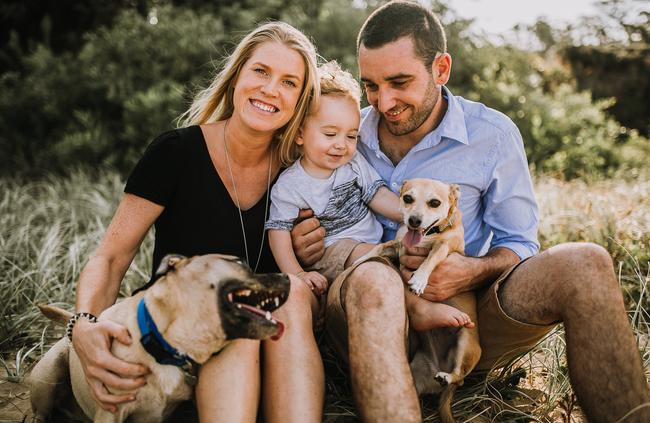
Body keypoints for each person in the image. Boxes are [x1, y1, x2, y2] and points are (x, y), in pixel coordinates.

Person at [290, 2, 650, 422]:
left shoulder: (491, 136)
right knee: (375, 282)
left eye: (399, 82)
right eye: (370, 85)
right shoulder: (339, 132)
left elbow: (518, 242)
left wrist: (471, 270)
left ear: (441, 69)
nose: (383, 102)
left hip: (465, 316)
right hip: (360, 309)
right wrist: (305, 240)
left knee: (586, 262)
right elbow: (295, 205)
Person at [70, 21, 325, 423]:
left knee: (255, 311)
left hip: (270, 352)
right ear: (237, 74)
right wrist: (84, 327)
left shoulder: (302, 176)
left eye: (289, 82)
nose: (271, 89)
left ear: (300, 99)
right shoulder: (176, 153)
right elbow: (111, 257)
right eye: (260, 71)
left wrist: (307, 250)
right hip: (172, 343)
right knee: (232, 321)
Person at [266, 61, 474, 330]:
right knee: (389, 259)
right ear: (299, 134)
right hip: (333, 252)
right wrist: (296, 273)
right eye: (330, 134)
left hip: (365, 246)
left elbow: (378, 196)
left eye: (352, 136)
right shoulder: (290, 185)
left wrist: (414, 215)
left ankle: (407, 311)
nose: (342, 144)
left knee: (404, 254)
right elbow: (278, 231)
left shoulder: (352, 164)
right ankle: (417, 309)